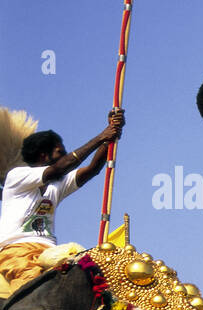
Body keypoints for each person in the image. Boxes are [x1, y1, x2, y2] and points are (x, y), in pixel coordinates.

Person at [0, 108, 123, 297]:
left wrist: (111, 135)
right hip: (17, 251)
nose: (65, 154)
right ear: (43, 156)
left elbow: (92, 169)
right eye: (60, 151)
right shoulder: (17, 176)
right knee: (33, 292)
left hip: (50, 251)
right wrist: (100, 137)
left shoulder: (57, 184)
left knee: (87, 279)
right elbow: (60, 168)